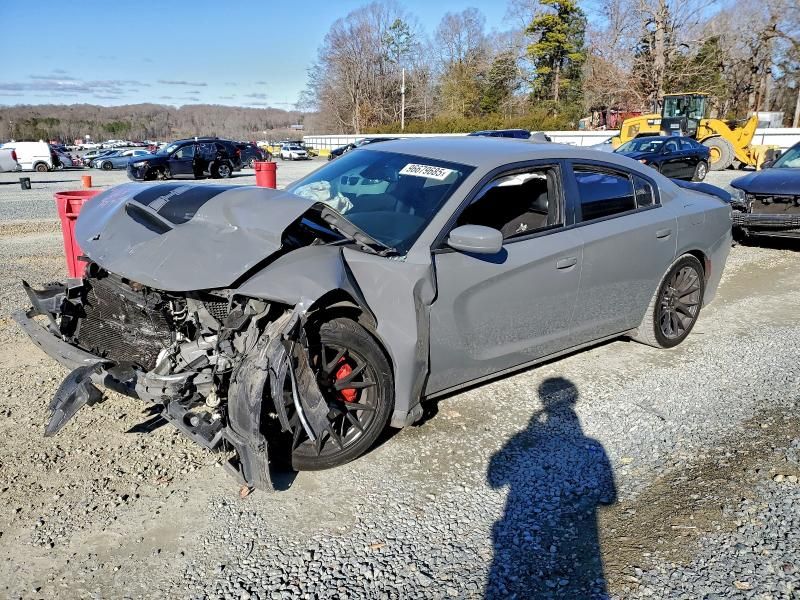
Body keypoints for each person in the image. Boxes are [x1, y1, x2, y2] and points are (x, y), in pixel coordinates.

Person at [487, 377, 616, 599]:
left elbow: (494, 479)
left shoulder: (523, 440)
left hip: (523, 537)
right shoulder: (592, 447)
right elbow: (608, 497)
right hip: (578, 538)